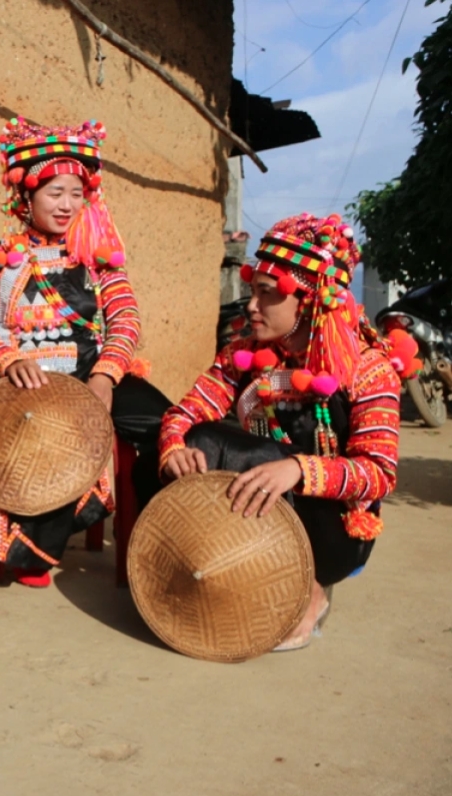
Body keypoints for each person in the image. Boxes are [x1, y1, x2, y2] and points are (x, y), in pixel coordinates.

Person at [158, 212, 411, 651]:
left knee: (265, 459)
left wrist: (296, 469)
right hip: (259, 506)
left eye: (266, 295)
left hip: (329, 528)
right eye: (252, 290)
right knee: (200, 441)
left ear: (309, 301)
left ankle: (312, 588)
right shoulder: (245, 354)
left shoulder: (367, 369)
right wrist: (173, 445)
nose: (251, 305)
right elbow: (188, 410)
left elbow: (379, 473)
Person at [0, 117, 170, 588]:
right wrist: (9, 359)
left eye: (77, 193)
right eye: (55, 192)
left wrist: (107, 376)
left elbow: (125, 321)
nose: (67, 205)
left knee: (166, 425)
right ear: (26, 196)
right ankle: (36, 543)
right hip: (25, 382)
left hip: (93, 373)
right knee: (46, 432)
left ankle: (155, 534)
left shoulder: (99, 256)